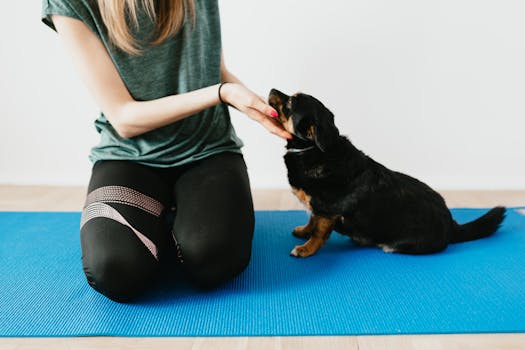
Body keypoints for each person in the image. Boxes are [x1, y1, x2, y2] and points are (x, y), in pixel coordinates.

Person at [41, 0, 292, 303]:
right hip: (128, 155)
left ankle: (175, 221)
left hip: (208, 149)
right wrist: (222, 94)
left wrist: (258, 108)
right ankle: (168, 220)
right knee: (115, 271)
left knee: (214, 260)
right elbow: (124, 118)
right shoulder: (68, 3)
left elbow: (216, 69)